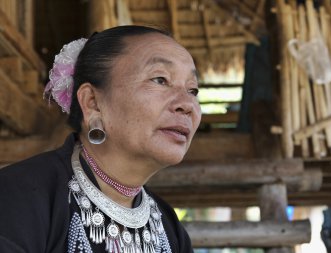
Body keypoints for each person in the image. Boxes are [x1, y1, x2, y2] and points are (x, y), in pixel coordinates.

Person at [0, 25, 201, 253]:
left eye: (193, 90)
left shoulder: (170, 229)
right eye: (160, 79)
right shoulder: (16, 198)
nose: (187, 105)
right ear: (93, 103)